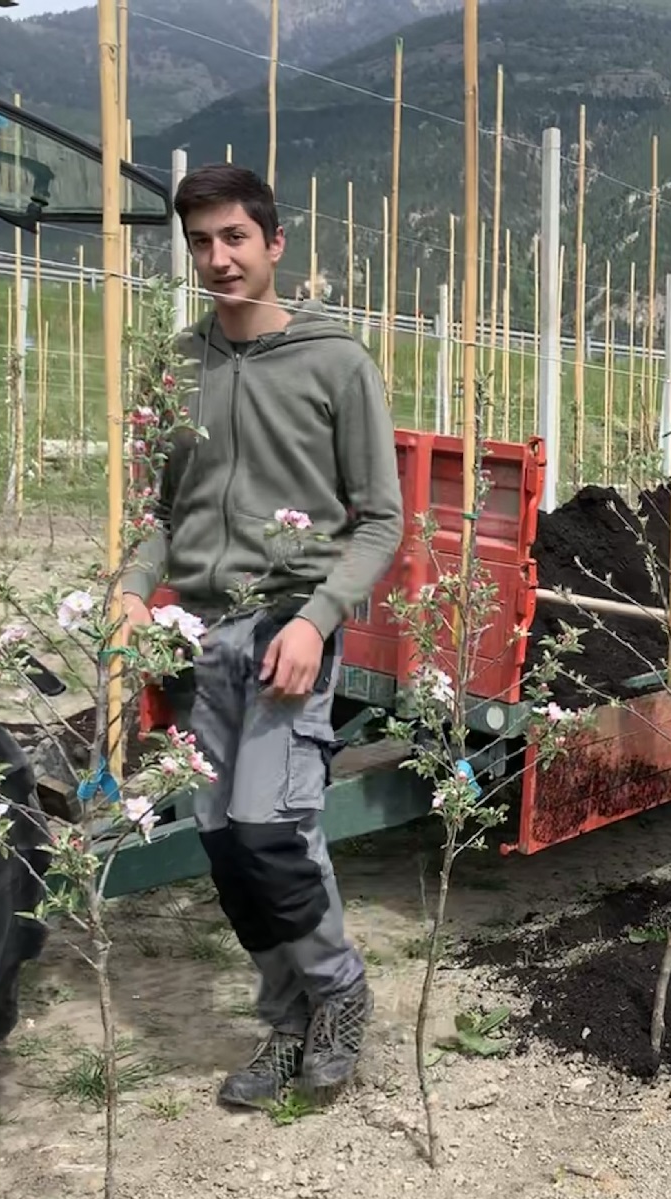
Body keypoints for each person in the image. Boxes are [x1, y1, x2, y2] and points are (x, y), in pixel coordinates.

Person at [119, 163, 404, 1106]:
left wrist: (319, 621)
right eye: (201, 242)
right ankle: (285, 1023)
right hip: (202, 635)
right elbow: (160, 509)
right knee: (220, 838)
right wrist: (131, 587)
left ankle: (339, 996)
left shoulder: (336, 363)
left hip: (288, 628)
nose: (217, 258)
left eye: (234, 237)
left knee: (270, 830)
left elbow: (379, 521)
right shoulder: (178, 365)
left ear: (275, 244)